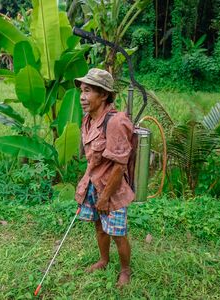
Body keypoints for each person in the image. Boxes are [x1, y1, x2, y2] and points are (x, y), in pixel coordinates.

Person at [74, 68, 135, 287]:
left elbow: (120, 166)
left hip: (113, 188)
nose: (82, 97)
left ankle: (126, 270)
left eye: (88, 91)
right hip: (94, 183)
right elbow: (93, 160)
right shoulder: (88, 119)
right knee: (99, 226)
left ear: (104, 95)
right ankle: (104, 259)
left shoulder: (116, 122)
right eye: (82, 90)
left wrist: (105, 197)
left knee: (118, 232)